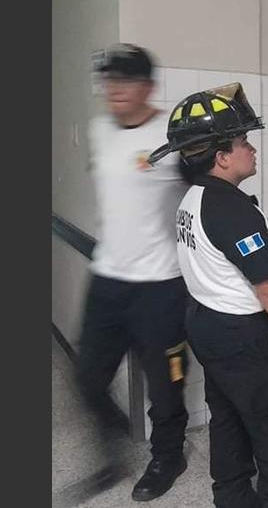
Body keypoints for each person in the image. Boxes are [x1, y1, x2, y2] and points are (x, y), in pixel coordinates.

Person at [148, 84, 268, 508]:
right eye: (244, 141)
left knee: (227, 418)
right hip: (241, 336)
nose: (252, 149)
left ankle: (232, 499)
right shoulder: (232, 209)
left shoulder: (194, 198)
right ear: (222, 157)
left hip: (207, 325)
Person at [74, 43, 190, 501]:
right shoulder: (99, 129)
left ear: (148, 86)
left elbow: (203, 194)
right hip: (107, 279)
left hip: (161, 286)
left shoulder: (172, 136)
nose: (115, 89)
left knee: (166, 385)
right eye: (109, 80)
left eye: (126, 80)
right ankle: (112, 449)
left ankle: (168, 457)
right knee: (87, 378)